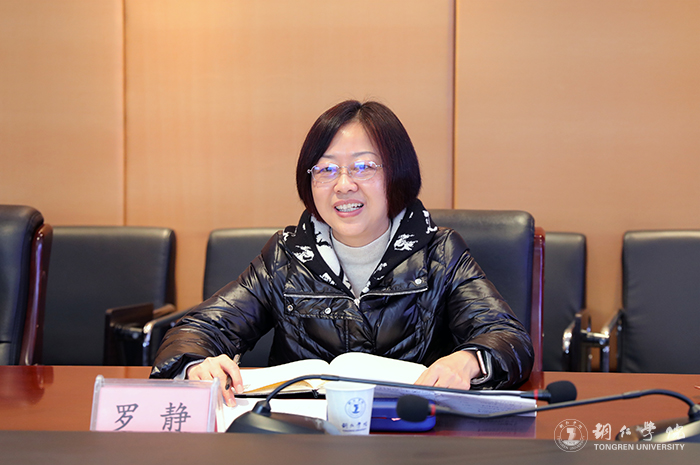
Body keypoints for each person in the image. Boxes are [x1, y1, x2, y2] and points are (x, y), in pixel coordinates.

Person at [151, 100, 534, 406]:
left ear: (397, 174)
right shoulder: (287, 255)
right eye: (326, 170)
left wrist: (468, 361)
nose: (343, 185)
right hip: (304, 438)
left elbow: (506, 336)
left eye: (363, 167)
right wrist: (197, 364)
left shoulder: (438, 251)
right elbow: (197, 329)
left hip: (412, 435)